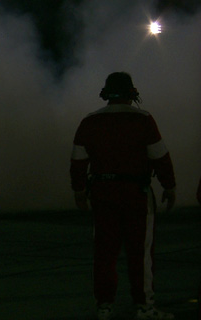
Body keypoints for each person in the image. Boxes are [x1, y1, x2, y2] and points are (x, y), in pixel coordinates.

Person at [70, 72, 176, 320]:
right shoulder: (143, 120)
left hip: (102, 194)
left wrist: (79, 191)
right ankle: (144, 307)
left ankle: (104, 307)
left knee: (104, 252)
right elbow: (159, 157)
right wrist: (169, 186)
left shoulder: (90, 122)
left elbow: (77, 161)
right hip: (136, 194)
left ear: (106, 94)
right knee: (140, 252)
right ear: (132, 94)